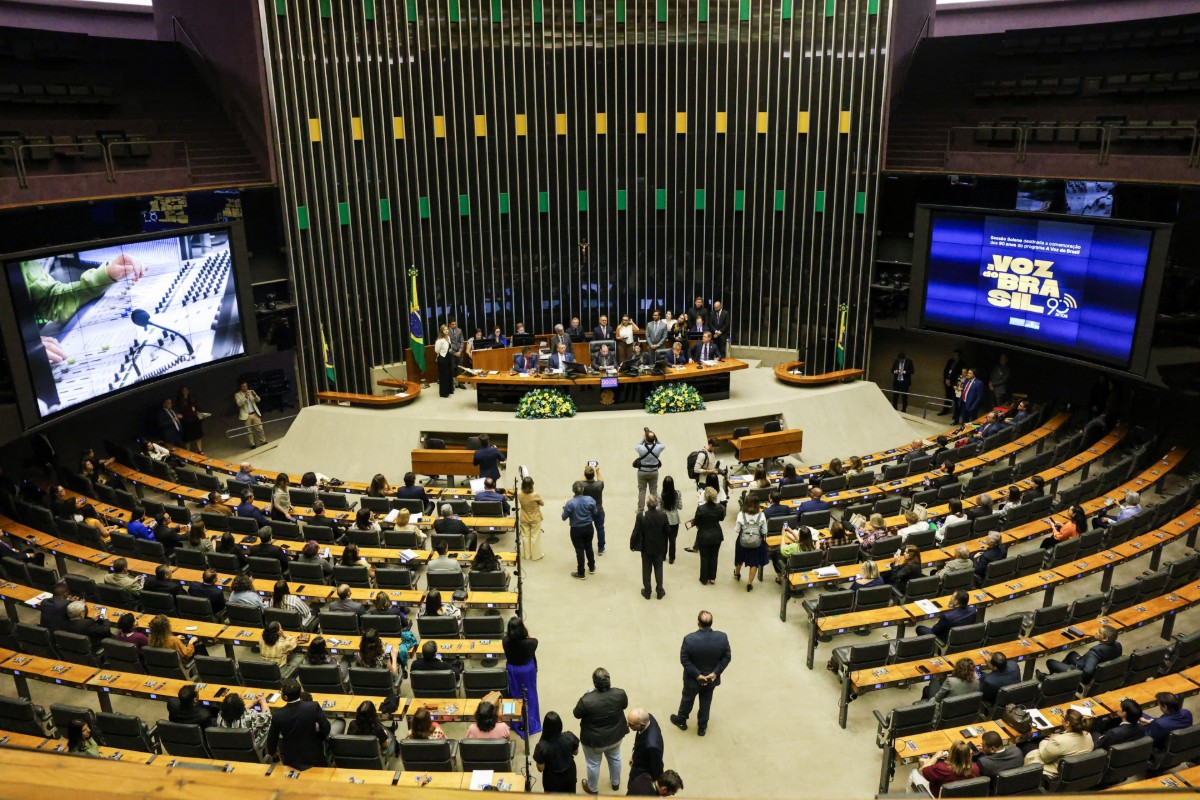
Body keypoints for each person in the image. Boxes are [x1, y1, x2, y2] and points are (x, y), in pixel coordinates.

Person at [670, 610, 731, 737]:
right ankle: (702, 727)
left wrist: (697, 675)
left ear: (698, 623)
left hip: (693, 679)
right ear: (711, 623)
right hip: (711, 679)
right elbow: (727, 657)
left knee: (687, 699)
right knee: (706, 701)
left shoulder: (689, 640)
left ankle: (681, 720)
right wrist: (715, 673)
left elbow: (684, 660)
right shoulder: (722, 637)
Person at [574, 667, 630, 794]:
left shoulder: (586, 700)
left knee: (593, 764)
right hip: (616, 736)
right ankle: (615, 783)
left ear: (594, 683)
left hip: (594, 741)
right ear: (609, 680)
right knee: (615, 758)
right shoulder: (620, 693)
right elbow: (625, 705)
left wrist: (588, 694)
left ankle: (592, 789)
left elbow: (576, 714)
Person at [267, 678, 332, 770]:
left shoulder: (278, 715)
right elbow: (326, 727)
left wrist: (273, 754)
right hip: (314, 754)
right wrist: (318, 738)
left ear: (285, 697)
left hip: (292, 759)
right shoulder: (313, 707)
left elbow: (272, 739)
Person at [1024, 708, 1093, 778]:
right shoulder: (1088, 735)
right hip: (1075, 769)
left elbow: (1045, 757)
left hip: (1056, 771)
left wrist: (1045, 741)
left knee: (1027, 746)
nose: (1061, 717)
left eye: (1062, 715)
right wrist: (1056, 738)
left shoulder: (1058, 741)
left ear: (1067, 723)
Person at [1039, 624, 1121, 681]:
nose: (1096, 632)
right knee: (1072, 654)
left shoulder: (1096, 651)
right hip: (1093, 667)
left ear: (1105, 639)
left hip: (1078, 671)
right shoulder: (1118, 645)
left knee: (1050, 662)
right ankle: (1057, 676)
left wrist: (1073, 671)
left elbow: (1088, 672)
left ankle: (1049, 679)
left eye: (1099, 632)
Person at [503, 616, 541, 738]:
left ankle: (516, 721)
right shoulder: (531, 643)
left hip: (513, 670)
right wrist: (526, 632)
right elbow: (535, 639)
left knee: (515, 694)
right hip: (527, 670)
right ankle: (531, 721)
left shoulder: (505, 641)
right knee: (530, 694)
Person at [634, 495, 670, 600]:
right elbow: (667, 531)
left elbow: (636, 531)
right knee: (659, 568)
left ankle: (647, 591)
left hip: (646, 547)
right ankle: (659, 591)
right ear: (657, 504)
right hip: (659, 547)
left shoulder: (641, 516)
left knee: (646, 568)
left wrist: (632, 544)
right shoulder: (663, 515)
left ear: (647, 505)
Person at [911, 741, 980, 796]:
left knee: (914, 773)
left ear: (951, 754)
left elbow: (922, 770)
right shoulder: (976, 768)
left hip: (938, 795)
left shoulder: (941, 768)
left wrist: (935, 756)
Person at [534, 711, 580, 793]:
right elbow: (576, 752)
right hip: (569, 774)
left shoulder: (541, 747)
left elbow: (541, 768)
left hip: (552, 779)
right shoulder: (569, 736)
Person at [564, 481, 600, 580]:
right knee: (589, 546)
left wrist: (565, 508)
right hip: (588, 528)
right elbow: (595, 512)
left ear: (573, 491)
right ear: (583, 490)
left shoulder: (570, 503)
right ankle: (592, 567)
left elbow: (564, 517)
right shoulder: (590, 500)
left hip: (576, 530)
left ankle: (581, 572)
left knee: (579, 550)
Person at [731, 498, 767, 591]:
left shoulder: (741, 514)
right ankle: (749, 583)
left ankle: (737, 573)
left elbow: (737, 530)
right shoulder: (761, 515)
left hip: (742, 542)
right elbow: (764, 531)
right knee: (754, 563)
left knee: (740, 558)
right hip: (756, 543)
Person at [694, 487, 727, 586]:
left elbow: (697, 522)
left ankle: (704, 578)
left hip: (704, 535)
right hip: (716, 535)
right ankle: (712, 577)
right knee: (714, 556)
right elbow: (721, 518)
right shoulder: (720, 507)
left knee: (704, 557)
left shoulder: (701, 509)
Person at [627, 708, 664, 790]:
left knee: (633, 788)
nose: (627, 725)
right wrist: (634, 755)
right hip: (641, 755)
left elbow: (657, 766)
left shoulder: (652, 746)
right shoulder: (648, 717)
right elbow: (640, 736)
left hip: (642, 771)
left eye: (631, 724)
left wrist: (657, 786)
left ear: (642, 725)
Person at [517, 476, 545, 561]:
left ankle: (527, 555)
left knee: (525, 536)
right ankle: (536, 555)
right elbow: (542, 503)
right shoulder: (535, 494)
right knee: (535, 536)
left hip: (524, 517)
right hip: (535, 518)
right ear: (532, 484)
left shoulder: (519, 493)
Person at [581, 464, 606, 554]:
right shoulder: (599, 485)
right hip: (598, 509)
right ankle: (601, 548)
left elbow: (582, 479)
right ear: (593, 475)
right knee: (600, 529)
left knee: (587, 529)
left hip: (586, 511)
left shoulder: (582, 486)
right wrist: (597, 470)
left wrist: (586, 469)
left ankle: (587, 547)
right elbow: (601, 479)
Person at [235, 381, 267, 448]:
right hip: (246, 415)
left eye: (246, 386)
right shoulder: (237, 395)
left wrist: (255, 395)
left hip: (255, 413)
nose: (245, 388)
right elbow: (239, 404)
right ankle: (252, 444)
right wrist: (245, 397)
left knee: (260, 428)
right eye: (243, 386)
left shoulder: (251, 391)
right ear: (240, 387)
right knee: (249, 431)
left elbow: (258, 400)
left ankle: (263, 441)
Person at [661, 477, 683, 564]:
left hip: (664, 520)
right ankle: (671, 558)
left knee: (663, 538)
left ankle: (663, 556)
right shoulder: (677, 494)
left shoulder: (660, 494)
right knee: (672, 539)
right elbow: (680, 507)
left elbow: (658, 508)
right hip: (674, 520)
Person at [176, 387, 205, 453]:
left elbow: (197, 407)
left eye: (186, 390)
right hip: (187, 422)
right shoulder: (180, 401)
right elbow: (182, 412)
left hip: (195, 420)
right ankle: (188, 452)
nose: (186, 391)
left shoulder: (192, 398)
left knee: (198, 436)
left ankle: (200, 451)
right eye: (184, 390)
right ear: (181, 392)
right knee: (188, 439)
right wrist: (193, 413)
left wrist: (197, 412)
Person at [940, 349, 965, 416]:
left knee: (956, 398)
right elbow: (946, 370)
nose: (954, 356)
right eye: (953, 354)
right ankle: (945, 410)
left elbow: (959, 374)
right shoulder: (950, 361)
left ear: (959, 356)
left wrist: (951, 381)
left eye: (956, 355)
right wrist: (946, 379)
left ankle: (956, 414)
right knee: (947, 397)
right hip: (947, 381)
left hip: (955, 383)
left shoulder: (962, 363)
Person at [435, 324, 455, 397]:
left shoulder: (448, 337)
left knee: (449, 374)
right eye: (444, 329)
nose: (446, 330)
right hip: (442, 358)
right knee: (444, 376)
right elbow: (436, 350)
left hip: (448, 357)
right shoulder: (440, 340)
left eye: (447, 329)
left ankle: (449, 390)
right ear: (442, 331)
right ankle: (444, 393)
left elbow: (450, 347)